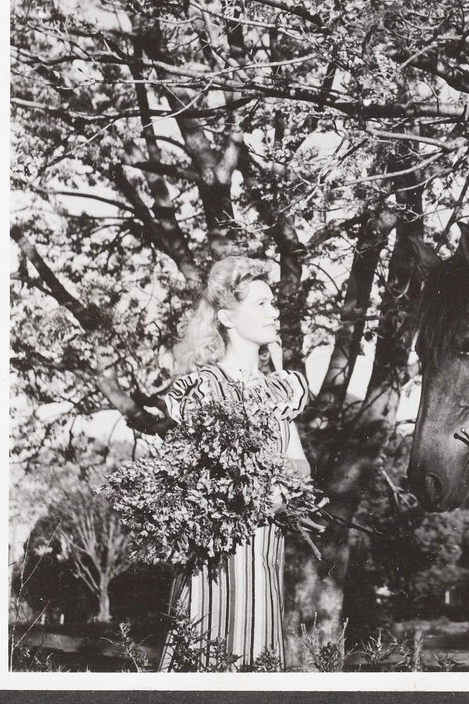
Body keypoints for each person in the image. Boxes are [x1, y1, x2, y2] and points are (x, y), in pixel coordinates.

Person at [158, 256, 313, 671]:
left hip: (263, 564)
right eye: (261, 304)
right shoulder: (204, 389)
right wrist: (264, 491)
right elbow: (196, 484)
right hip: (214, 569)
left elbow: (300, 469)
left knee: (256, 664)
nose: (275, 312)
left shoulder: (279, 389)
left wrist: (283, 487)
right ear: (227, 316)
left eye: (274, 303)